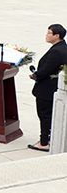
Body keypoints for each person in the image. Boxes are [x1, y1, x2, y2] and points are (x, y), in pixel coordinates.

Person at [28, 24, 67, 152]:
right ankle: (48, 139)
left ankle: (44, 142)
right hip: (52, 88)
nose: (46, 35)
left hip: (47, 89)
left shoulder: (56, 51)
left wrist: (35, 75)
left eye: (49, 33)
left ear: (57, 36)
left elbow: (46, 69)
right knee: (49, 115)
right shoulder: (62, 47)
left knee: (44, 115)